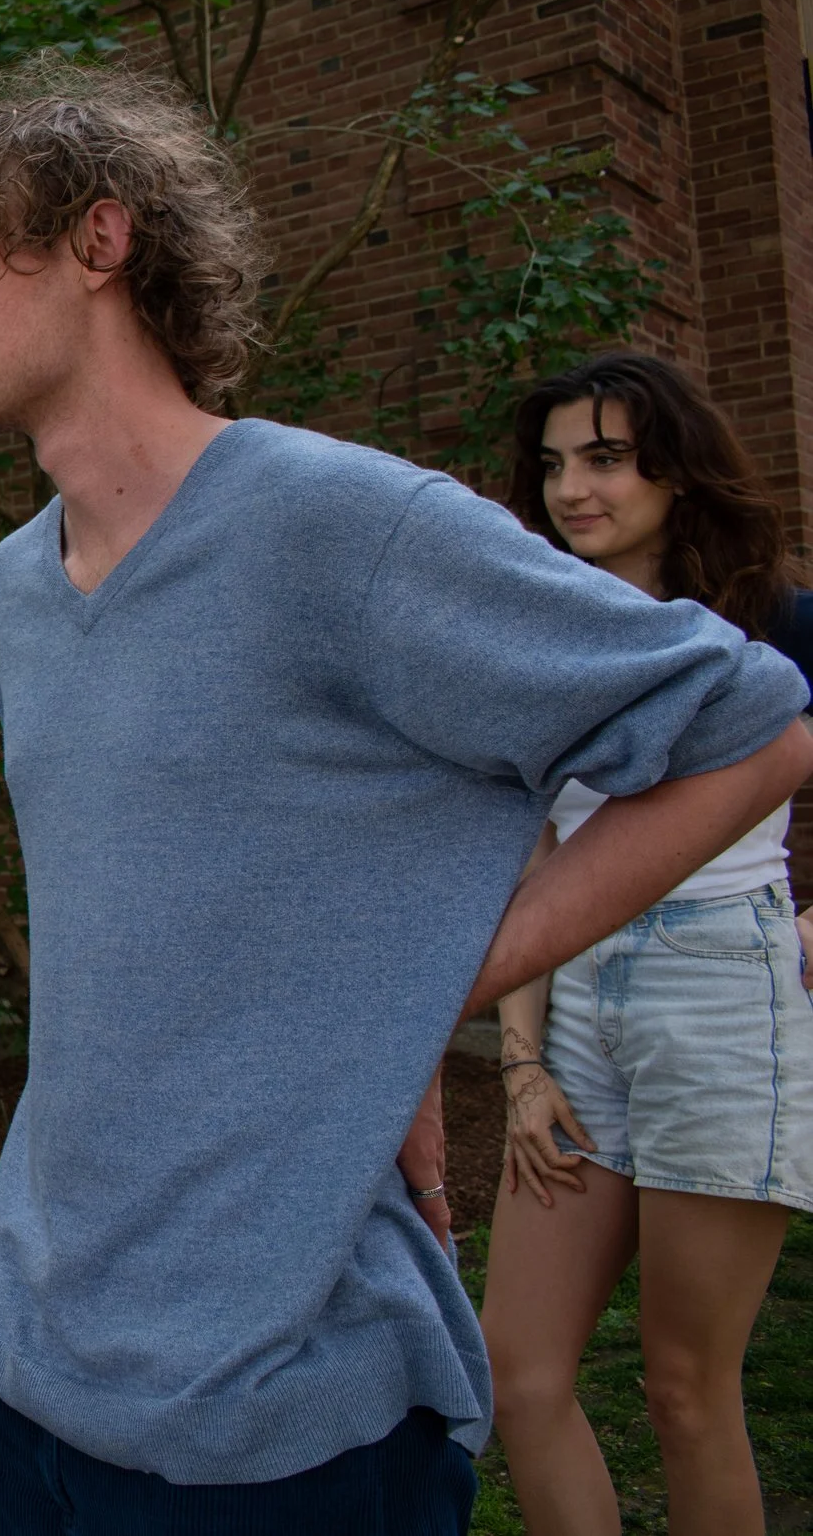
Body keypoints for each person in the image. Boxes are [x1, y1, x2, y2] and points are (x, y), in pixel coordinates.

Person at [0, 53, 813, 1536]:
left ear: (98, 240)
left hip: (280, 1413)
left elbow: (755, 733)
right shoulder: (11, 593)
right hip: (28, 1367)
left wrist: (429, 980)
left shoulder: (342, 526)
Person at [481, 353, 813, 1536]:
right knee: (516, 1371)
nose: (571, 488)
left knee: (683, 1387)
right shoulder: (539, 632)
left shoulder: (772, 618)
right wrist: (520, 1059)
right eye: (552, 465)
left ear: (673, 469)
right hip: (574, 998)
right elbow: (532, 855)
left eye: (606, 458)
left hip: (719, 987)